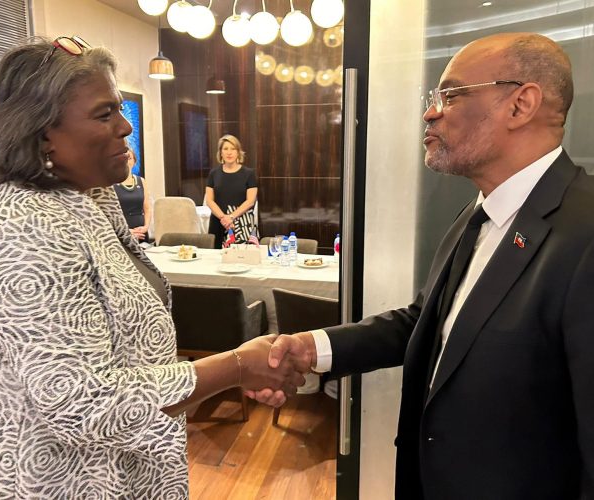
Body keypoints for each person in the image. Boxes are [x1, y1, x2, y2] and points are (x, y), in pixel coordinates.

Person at [251, 33, 594, 499]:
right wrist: (313, 348)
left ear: (521, 104)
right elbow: (426, 324)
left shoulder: (585, 230)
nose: (430, 112)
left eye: (451, 95)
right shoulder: (479, 215)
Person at [0, 37, 305, 498]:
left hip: (128, 463)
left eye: (120, 110)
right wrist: (234, 368)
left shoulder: (90, 195)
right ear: (42, 130)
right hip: (55, 478)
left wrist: (223, 375)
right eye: (105, 114)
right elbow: (81, 402)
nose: (126, 127)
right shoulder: (20, 226)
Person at [205, 134, 258, 248]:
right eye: (225, 149)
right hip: (218, 222)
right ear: (221, 153)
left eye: (233, 148)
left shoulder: (249, 174)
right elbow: (209, 200)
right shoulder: (213, 173)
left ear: (238, 152)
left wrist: (231, 217)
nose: (229, 152)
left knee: (241, 259)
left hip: (241, 223)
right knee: (216, 259)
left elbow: (250, 201)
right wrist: (223, 218)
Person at [113, 147, 151, 242]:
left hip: (141, 233)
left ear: (134, 161)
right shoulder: (111, 183)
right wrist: (126, 232)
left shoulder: (141, 181)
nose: (126, 161)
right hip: (121, 233)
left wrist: (145, 227)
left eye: (129, 158)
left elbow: (147, 208)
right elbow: (110, 214)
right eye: (123, 158)